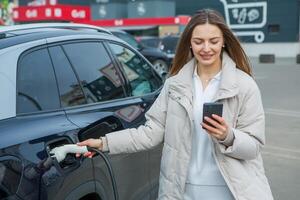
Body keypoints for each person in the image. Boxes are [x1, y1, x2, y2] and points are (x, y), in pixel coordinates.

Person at [76, 9, 274, 200]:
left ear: (223, 42)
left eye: (213, 41)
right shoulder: (174, 85)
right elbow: (149, 133)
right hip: (182, 190)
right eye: (198, 42)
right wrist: (104, 143)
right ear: (189, 43)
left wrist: (227, 136)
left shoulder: (244, 85)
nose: (206, 48)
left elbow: (253, 147)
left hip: (230, 190)